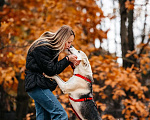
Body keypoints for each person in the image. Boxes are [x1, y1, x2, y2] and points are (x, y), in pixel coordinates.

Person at [25, 25, 80, 120]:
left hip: (38, 84)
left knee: (43, 117)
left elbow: (51, 68)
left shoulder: (51, 48)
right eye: (68, 42)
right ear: (62, 39)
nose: (69, 45)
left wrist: (70, 60)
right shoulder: (43, 47)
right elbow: (51, 70)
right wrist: (67, 59)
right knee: (60, 115)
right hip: (36, 84)